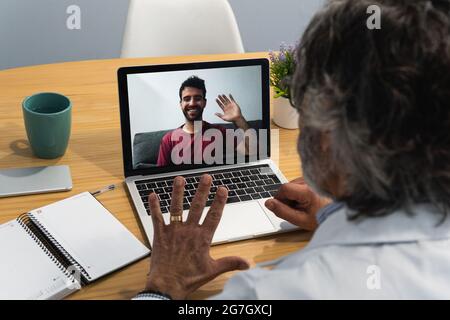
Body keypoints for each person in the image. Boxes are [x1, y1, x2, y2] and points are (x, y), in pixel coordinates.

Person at [134, 0, 450, 300]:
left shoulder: (265, 294)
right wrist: (336, 213)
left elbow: (252, 149)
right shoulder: (168, 140)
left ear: (326, 134)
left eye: (303, 100)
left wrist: (164, 285)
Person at [156, 76, 251, 166]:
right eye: (187, 99)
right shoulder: (168, 140)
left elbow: (251, 152)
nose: (192, 103)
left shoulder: (219, 132)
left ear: (204, 103)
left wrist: (239, 119)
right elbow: (160, 176)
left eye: (197, 98)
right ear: (181, 104)